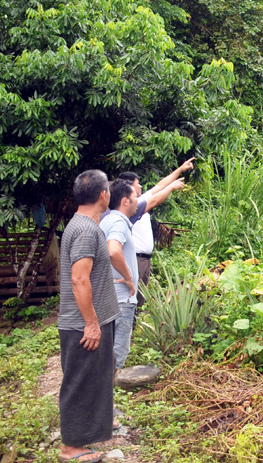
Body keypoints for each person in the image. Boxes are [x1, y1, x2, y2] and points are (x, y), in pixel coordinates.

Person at [58, 170, 119, 463]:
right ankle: (71, 447)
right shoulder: (85, 230)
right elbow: (79, 279)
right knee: (79, 382)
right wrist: (92, 324)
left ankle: (88, 434)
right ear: (103, 195)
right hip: (82, 326)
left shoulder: (83, 225)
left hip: (88, 321)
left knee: (94, 378)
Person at [115, 158, 194, 306]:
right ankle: (129, 325)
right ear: (128, 188)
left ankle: (133, 324)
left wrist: (180, 169)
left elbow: (159, 186)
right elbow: (155, 200)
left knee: (139, 298)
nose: (140, 186)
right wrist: (172, 187)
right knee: (131, 298)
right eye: (137, 183)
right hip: (136, 258)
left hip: (144, 259)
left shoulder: (138, 201)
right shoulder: (130, 207)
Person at [99, 179, 139, 372]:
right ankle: (106, 401)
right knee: (117, 354)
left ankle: (101, 399)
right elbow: (113, 250)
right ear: (125, 201)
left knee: (106, 352)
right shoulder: (118, 222)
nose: (137, 201)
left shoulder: (106, 220)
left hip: (109, 295)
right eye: (135, 197)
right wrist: (129, 279)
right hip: (121, 298)